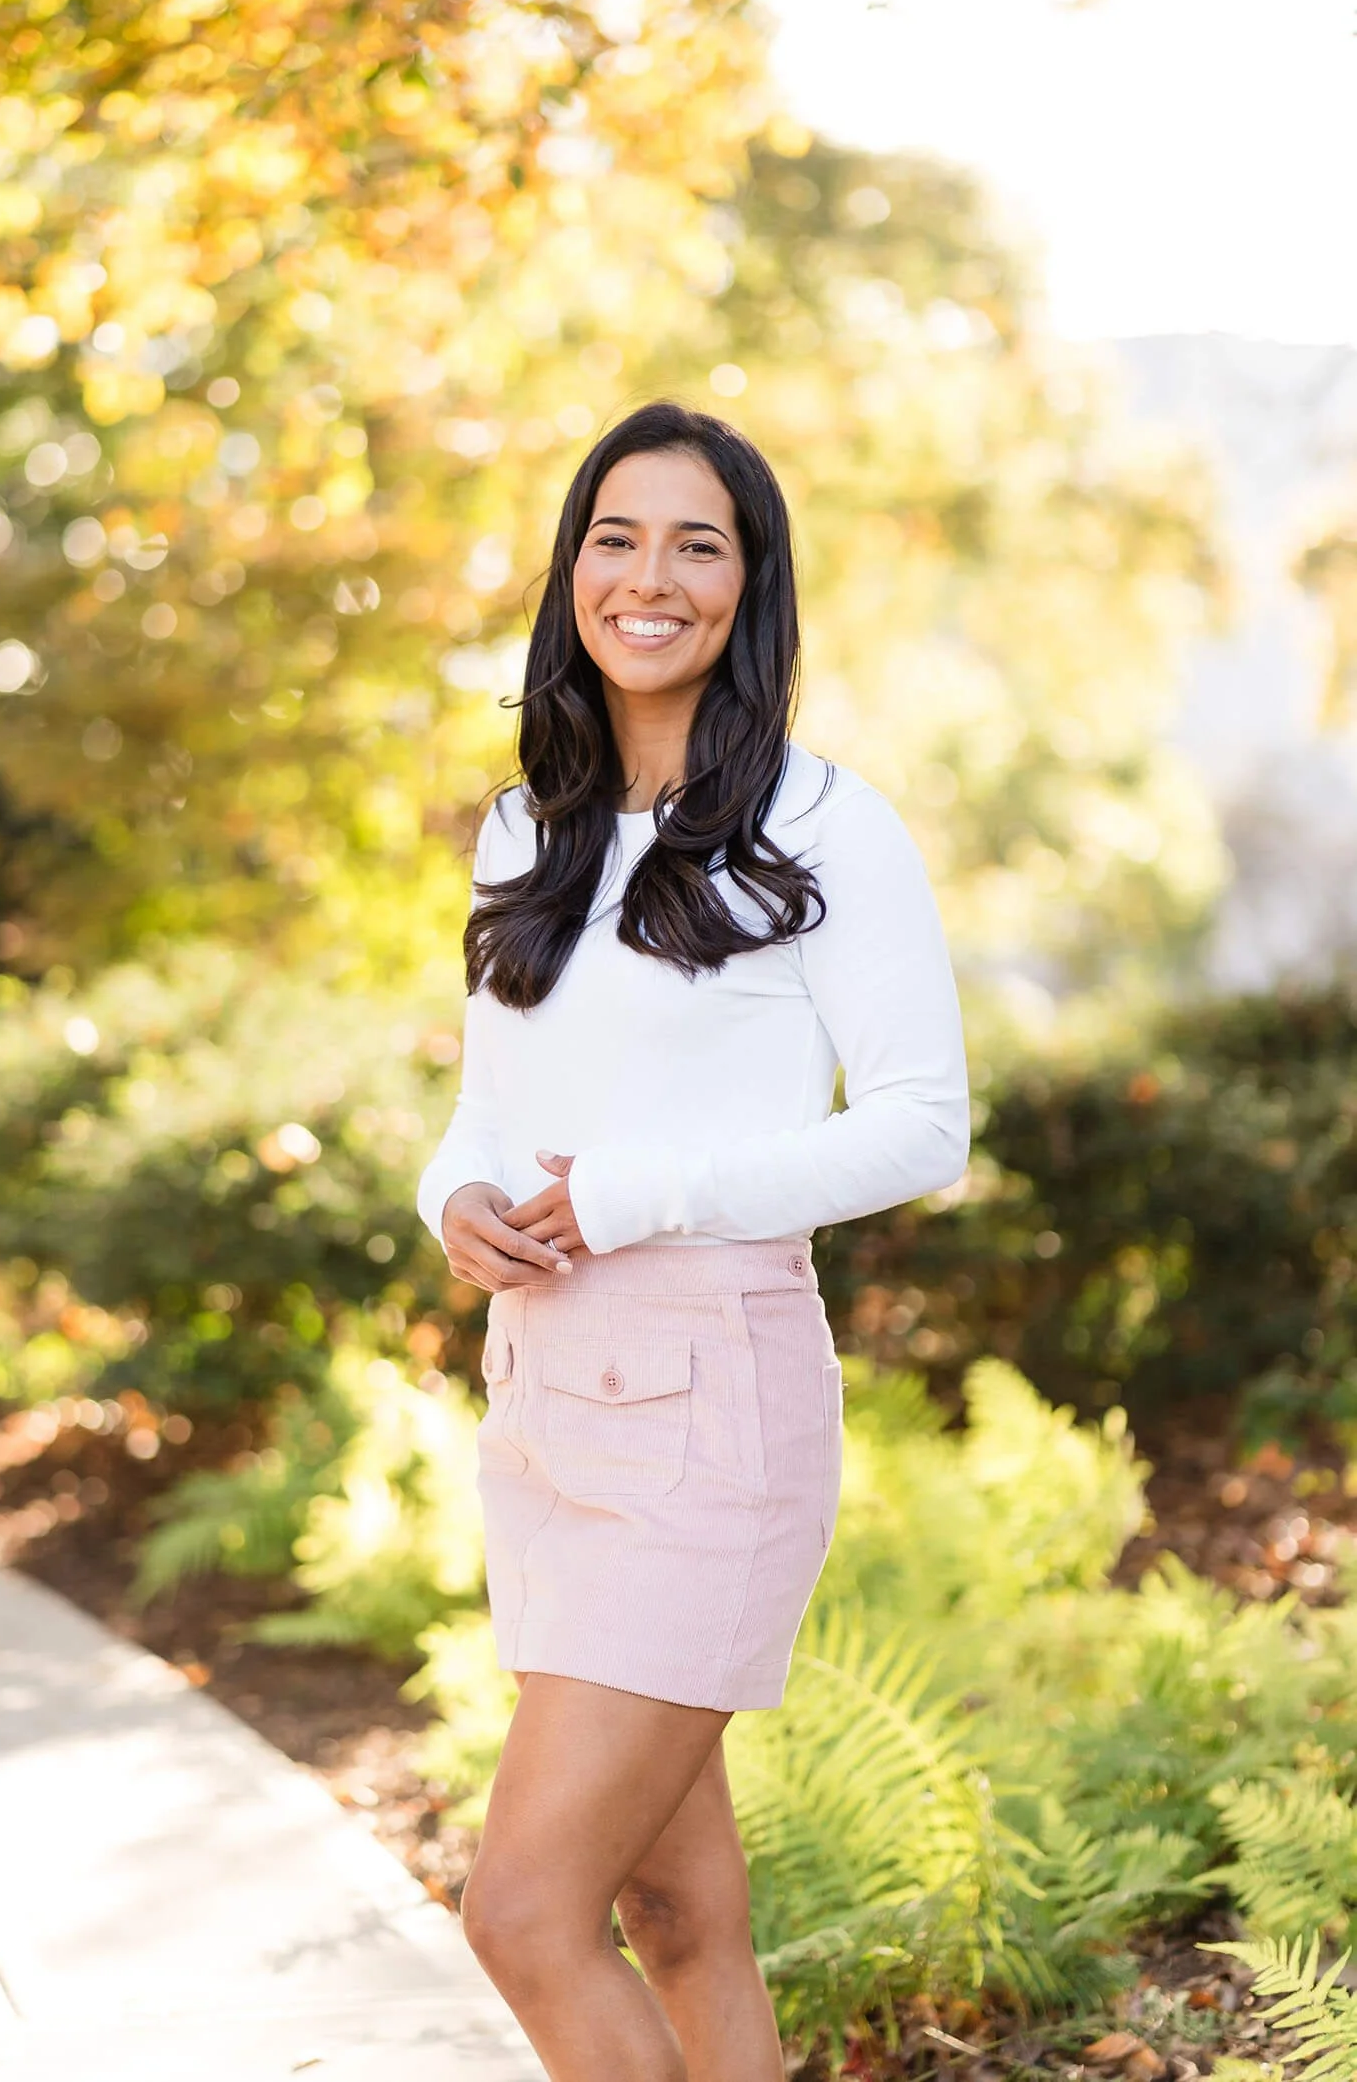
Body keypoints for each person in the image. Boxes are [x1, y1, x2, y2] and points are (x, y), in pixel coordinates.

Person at [415, 400, 969, 2082]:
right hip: (548, 1406)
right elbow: (485, 1111)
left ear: (752, 585)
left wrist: (645, 1188)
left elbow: (923, 1126)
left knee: (520, 1910)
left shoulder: (826, 824)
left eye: (696, 543)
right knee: (679, 1906)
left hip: (710, 1401)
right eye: (615, 536)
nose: (648, 576)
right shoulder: (531, 826)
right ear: (573, 568)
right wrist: (455, 1202)